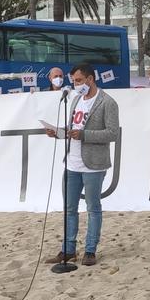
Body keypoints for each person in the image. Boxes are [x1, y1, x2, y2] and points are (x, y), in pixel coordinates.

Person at [44, 63, 120, 267]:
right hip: (72, 162)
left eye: (79, 80)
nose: (75, 84)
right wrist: (58, 133)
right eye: (73, 81)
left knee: (93, 208)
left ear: (90, 79)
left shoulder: (107, 102)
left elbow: (113, 133)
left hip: (93, 164)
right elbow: (73, 129)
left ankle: (90, 250)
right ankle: (68, 250)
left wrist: (85, 135)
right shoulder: (76, 99)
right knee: (69, 209)